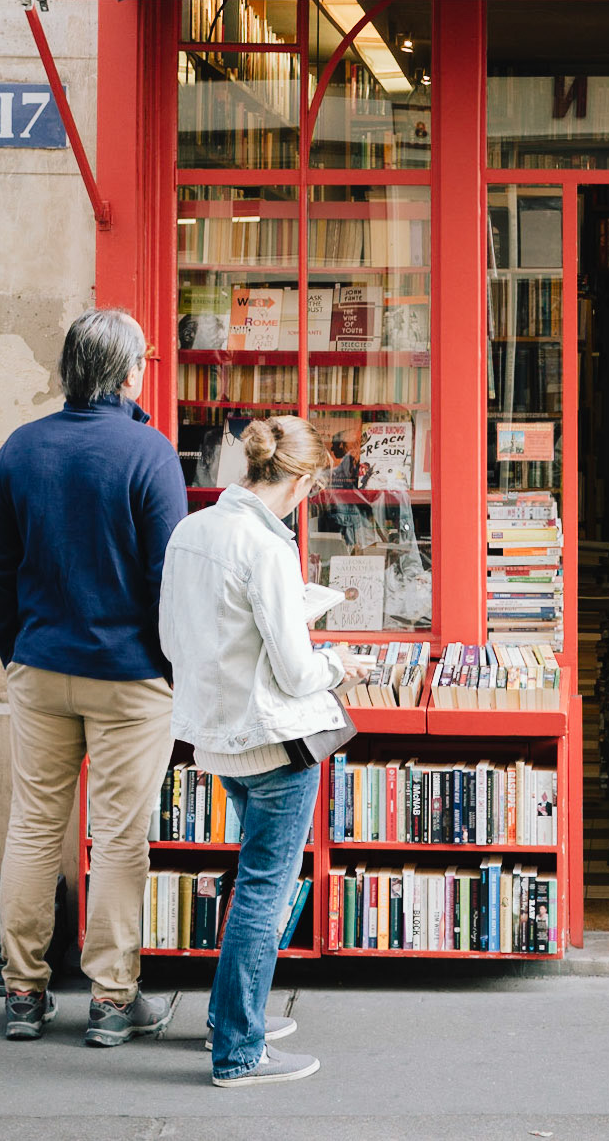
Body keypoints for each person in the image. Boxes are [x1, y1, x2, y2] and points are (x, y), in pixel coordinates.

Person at [0, 307, 187, 1047]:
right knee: (119, 836)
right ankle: (108, 999)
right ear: (128, 373)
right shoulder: (148, 452)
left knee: (34, 828)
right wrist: (165, 666)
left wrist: (16, 649)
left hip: (41, 666)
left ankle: (24, 995)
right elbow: (170, 580)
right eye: (143, 364)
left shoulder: (20, 449)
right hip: (129, 675)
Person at [160, 416, 371, 1088]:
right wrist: (343, 665)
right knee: (264, 890)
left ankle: (233, 1019)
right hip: (276, 742)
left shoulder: (193, 530)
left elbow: (181, 634)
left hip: (219, 735)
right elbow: (294, 671)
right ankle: (240, 1051)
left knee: (251, 882)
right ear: (304, 481)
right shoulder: (268, 547)